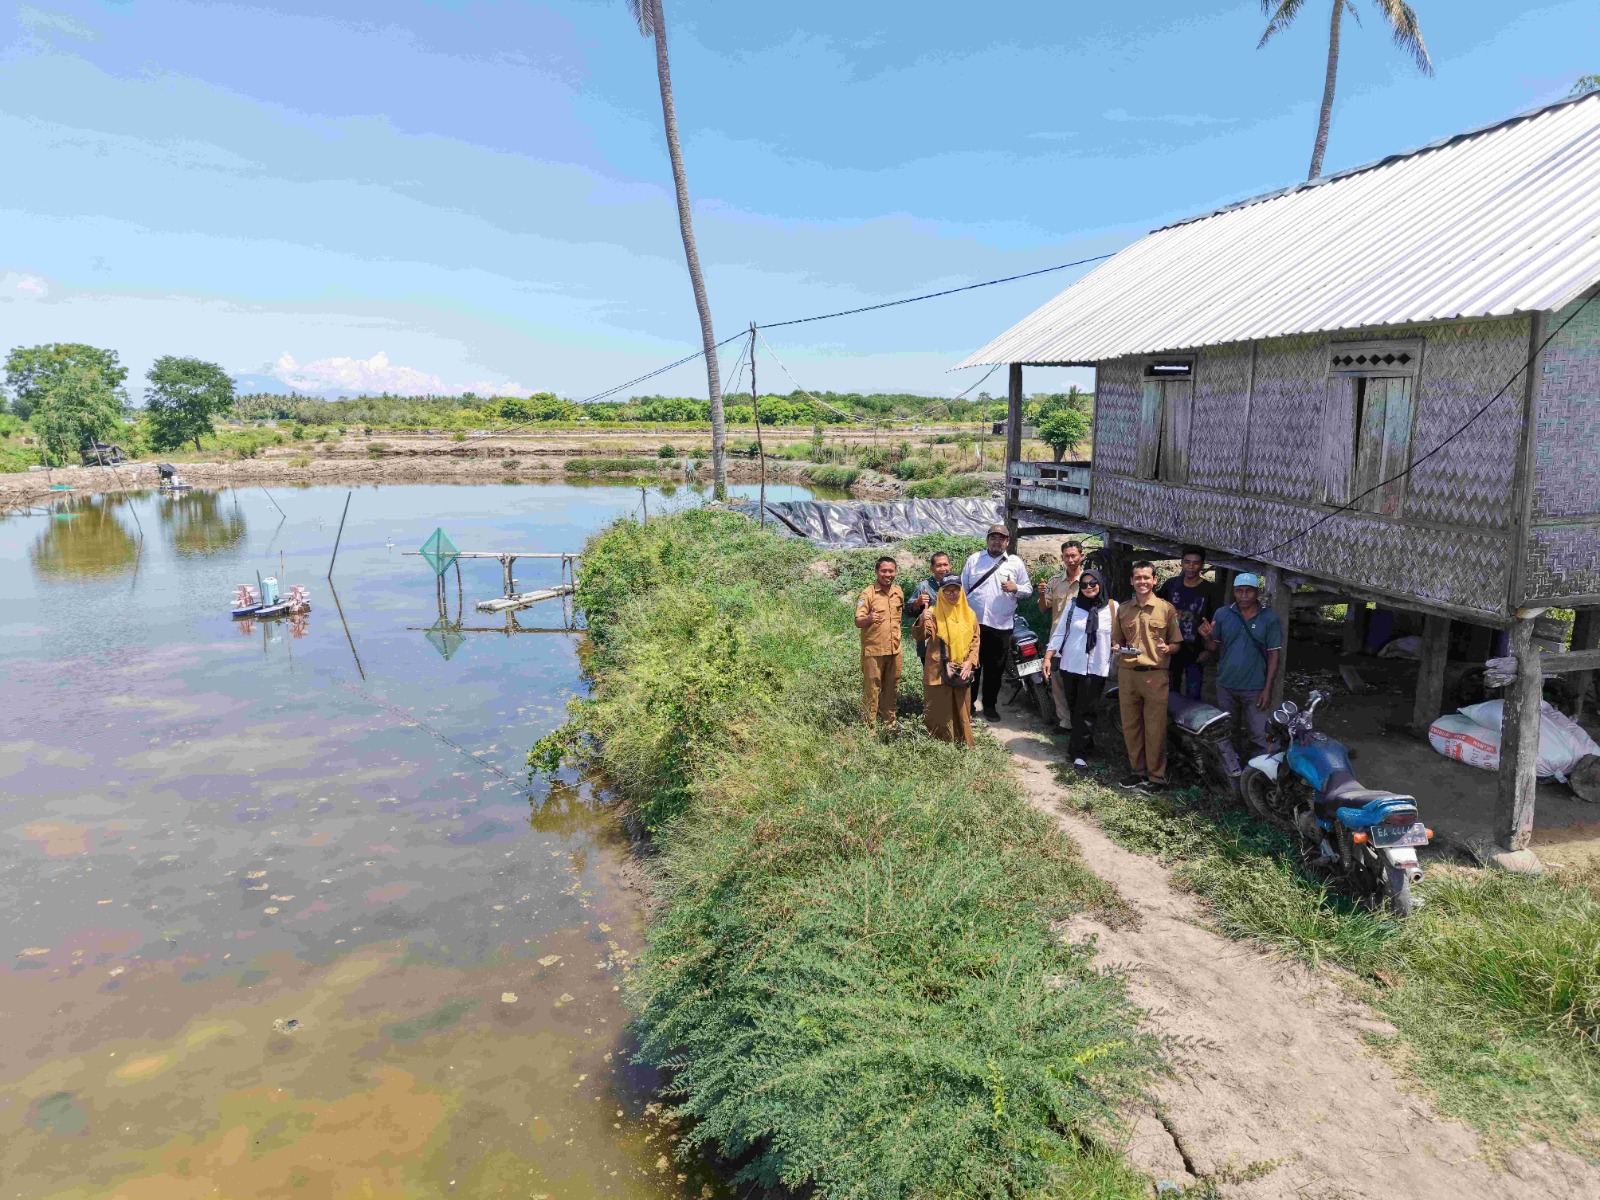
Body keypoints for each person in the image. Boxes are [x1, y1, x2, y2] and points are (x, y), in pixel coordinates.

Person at [1199, 573, 1283, 775]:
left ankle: (1264, 778)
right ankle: (1233, 775)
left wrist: (1267, 689)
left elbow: (1274, 655)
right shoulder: (1222, 614)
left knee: (1260, 735)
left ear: (1258, 592)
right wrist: (1208, 637)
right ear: (1234, 592)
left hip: (1255, 688)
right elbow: (1213, 648)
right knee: (1228, 733)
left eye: (1249, 590)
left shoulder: (1269, 618)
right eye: (1240, 590)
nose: (1244, 595)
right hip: (1226, 685)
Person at [1113, 560, 1181, 791]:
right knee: (1131, 726)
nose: (1142, 582)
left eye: (1146, 577)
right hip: (1128, 674)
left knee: (1155, 727)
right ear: (1132, 581)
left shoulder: (1166, 609)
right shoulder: (1123, 609)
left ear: (1154, 580)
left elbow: (1177, 644)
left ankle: (1156, 777)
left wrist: (1168, 649)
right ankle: (1138, 772)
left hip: (1155, 676)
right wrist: (1116, 647)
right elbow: (1117, 640)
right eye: (1138, 578)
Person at [1042, 567, 1116, 769]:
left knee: (1087, 710)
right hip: (1071, 664)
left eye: (1093, 583)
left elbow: (1120, 635)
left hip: (1096, 667)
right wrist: (1048, 656)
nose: (1089, 587)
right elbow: (1059, 633)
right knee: (1075, 707)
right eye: (1084, 584)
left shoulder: (1112, 608)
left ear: (1101, 584)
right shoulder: (1073, 607)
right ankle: (1085, 743)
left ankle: (1078, 753)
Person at [960, 524, 1033, 721]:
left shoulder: (1015, 563)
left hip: (1001, 625)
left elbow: (1028, 589)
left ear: (1007, 542)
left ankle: (990, 706)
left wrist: (1015, 587)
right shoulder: (974, 560)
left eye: (1001, 538)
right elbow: (963, 590)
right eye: (993, 537)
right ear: (987, 539)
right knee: (973, 665)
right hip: (974, 625)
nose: (997, 541)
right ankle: (970, 704)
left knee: (995, 668)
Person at [914, 575, 980, 746]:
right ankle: (939, 746)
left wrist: (970, 661)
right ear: (941, 593)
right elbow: (921, 635)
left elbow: (975, 640)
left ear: (961, 591)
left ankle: (961, 743)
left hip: (961, 669)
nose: (952, 594)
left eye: (955, 590)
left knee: (961, 709)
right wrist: (922, 618)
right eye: (948, 591)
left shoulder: (970, 614)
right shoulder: (934, 613)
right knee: (939, 710)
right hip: (937, 669)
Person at [1036, 540, 1086, 731]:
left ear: (1081, 556)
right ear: (1062, 557)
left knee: (1079, 681)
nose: (1071, 559)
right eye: (1067, 556)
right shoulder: (1055, 581)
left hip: (1080, 641)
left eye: (1074, 555)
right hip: (1057, 640)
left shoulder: (1089, 582)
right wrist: (1041, 595)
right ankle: (1065, 722)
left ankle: (1080, 720)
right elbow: (1043, 608)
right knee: (1057, 682)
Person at [1156, 546, 1217, 700]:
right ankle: (1169, 723)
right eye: (1187, 562)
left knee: (1193, 694)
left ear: (1202, 565)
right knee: (1169, 692)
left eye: (1195, 563)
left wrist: (1208, 651)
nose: (1191, 567)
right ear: (1181, 563)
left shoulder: (1210, 590)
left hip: (1195, 651)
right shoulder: (1171, 585)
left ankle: (1188, 724)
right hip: (1171, 648)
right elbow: (1156, 609)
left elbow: (1215, 622)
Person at [854, 556, 904, 730]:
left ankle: (889, 724)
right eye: (884, 571)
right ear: (876, 572)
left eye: (891, 571)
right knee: (872, 689)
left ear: (895, 572)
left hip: (894, 650)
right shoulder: (867, 594)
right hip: (874, 651)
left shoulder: (898, 592)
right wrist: (869, 618)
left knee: (892, 688)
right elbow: (858, 621)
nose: (888, 574)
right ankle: (869, 727)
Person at [907, 551, 954, 663]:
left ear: (950, 566)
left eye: (945, 564)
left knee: (951, 674)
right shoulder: (924, 586)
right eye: (938, 565)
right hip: (929, 637)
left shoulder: (957, 584)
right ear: (932, 568)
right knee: (930, 675)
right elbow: (908, 611)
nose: (943, 568)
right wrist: (917, 603)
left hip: (952, 636)